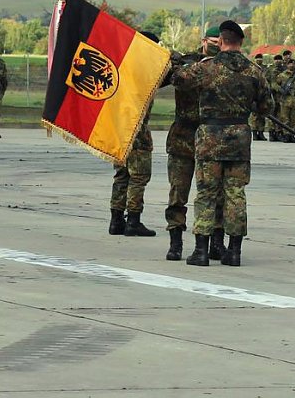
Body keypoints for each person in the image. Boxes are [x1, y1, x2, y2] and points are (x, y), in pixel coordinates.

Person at [172, 20, 271, 266]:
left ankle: (201, 251)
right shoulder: (254, 71)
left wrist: (177, 60)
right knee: (236, 194)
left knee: (206, 193)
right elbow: (267, 106)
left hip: (210, 137)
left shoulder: (208, 68)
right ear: (240, 42)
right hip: (239, 138)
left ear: (222, 41)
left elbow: (179, 79)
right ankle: (234, 251)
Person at [164, 26, 227, 261]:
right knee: (178, 192)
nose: (217, 45)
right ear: (204, 41)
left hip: (212, 140)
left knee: (214, 194)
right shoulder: (185, 63)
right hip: (184, 137)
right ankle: (175, 241)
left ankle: (216, 242)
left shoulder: (227, 67)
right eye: (214, 41)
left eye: (221, 41)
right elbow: (160, 80)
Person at [109, 31, 162, 238]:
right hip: (137, 131)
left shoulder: (122, 67)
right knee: (138, 178)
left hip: (119, 129)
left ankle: (115, 220)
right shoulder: (147, 70)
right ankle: (133, 221)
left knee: (121, 176)